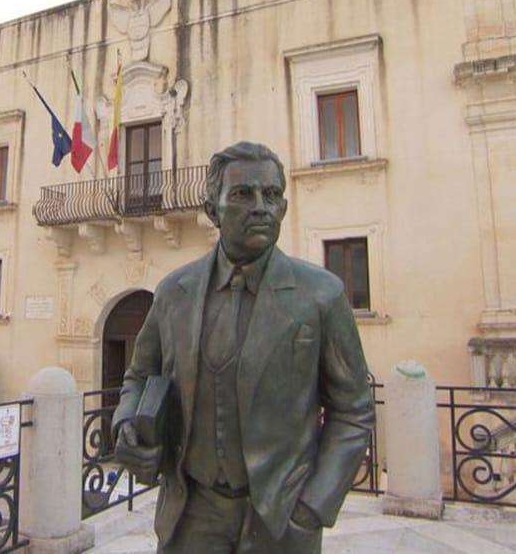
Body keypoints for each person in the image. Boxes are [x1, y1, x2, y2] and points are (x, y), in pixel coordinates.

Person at [113, 141, 375, 553]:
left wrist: (311, 506)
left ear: (284, 208)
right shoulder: (174, 292)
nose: (260, 207)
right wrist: (126, 425)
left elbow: (354, 409)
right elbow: (139, 376)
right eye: (242, 194)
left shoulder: (321, 295)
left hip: (280, 519)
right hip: (191, 514)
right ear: (212, 209)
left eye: (271, 195)